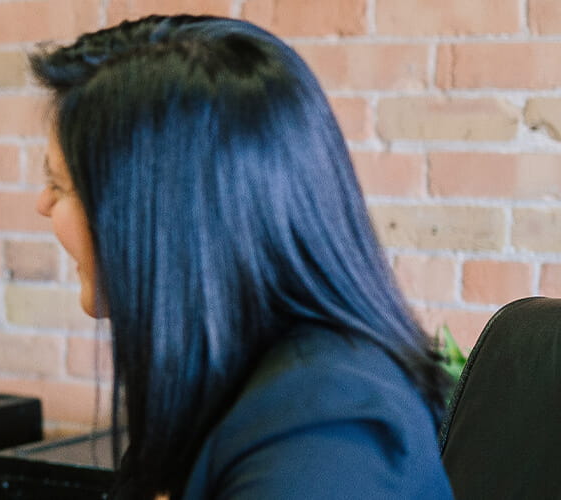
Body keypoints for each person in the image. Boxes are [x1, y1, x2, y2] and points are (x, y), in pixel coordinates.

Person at [30, 15, 453, 500]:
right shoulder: (220, 380)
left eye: (59, 185)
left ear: (163, 214)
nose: (42, 205)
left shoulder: (325, 428)